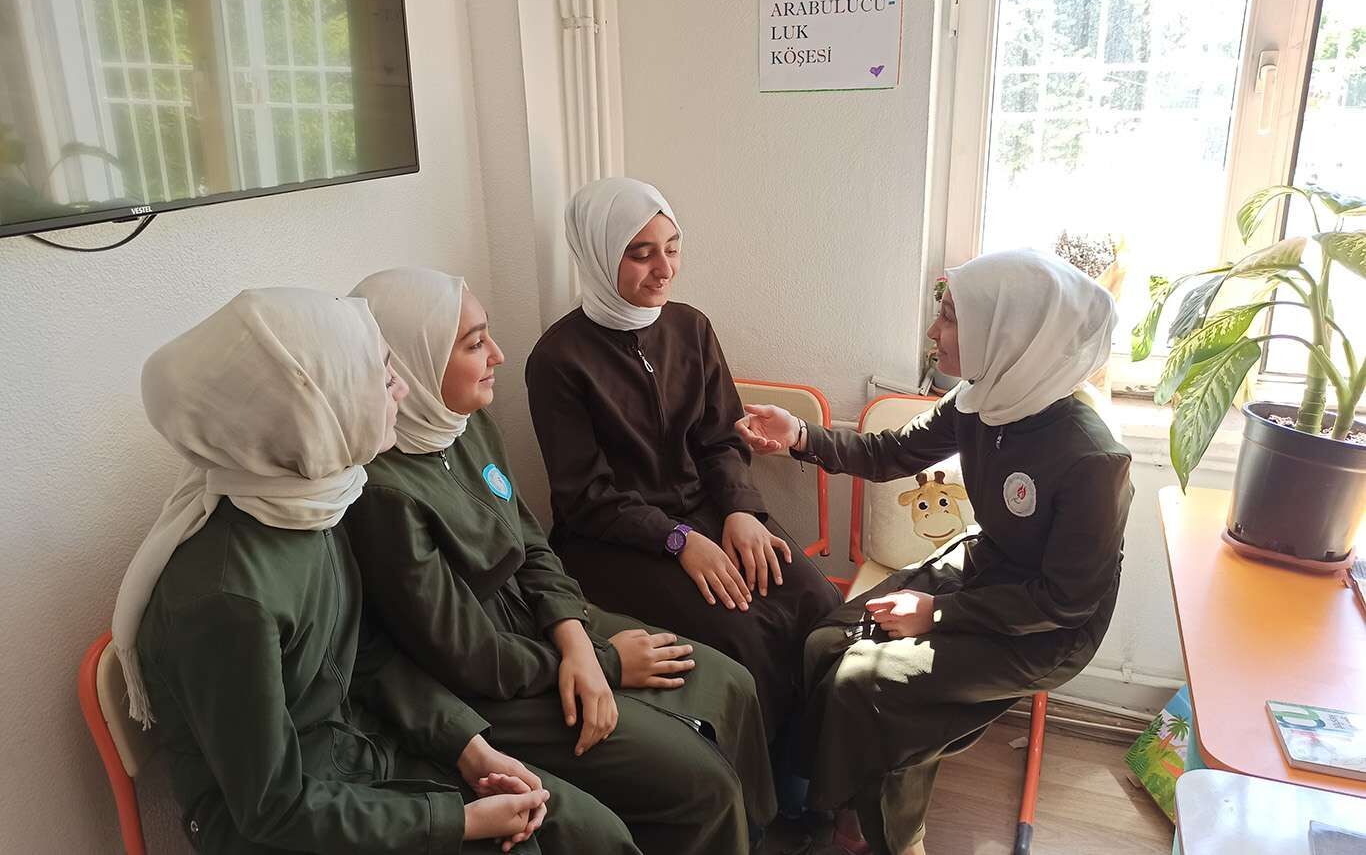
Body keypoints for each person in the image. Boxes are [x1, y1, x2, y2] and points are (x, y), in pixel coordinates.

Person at [114, 287, 638, 854]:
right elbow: (273, 807)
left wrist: (468, 748)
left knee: (592, 834)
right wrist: (458, 821)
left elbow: (365, 654)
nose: (403, 390)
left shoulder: (314, 504)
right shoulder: (225, 599)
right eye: (384, 376)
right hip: (289, 823)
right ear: (313, 408)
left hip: (359, 751)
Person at [343, 267, 774, 855]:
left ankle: (760, 837)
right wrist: (605, 663)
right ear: (411, 363)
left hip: (540, 626)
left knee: (733, 683)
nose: (497, 354)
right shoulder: (384, 494)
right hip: (493, 683)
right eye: (473, 344)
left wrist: (576, 639)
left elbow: (530, 543)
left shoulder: (465, 426)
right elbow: (464, 654)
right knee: (704, 785)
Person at [736, 250, 1134, 855]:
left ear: (1007, 335)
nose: (932, 331)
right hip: (985, 567)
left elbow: (1066, 601)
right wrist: (798, 435)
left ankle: (876, 832)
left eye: (948, 317)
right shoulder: (984, 399)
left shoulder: (1093, 459)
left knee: (870, 685)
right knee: (825, 641)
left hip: (1048, 628)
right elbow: (890, 453)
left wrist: (936, 614)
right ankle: (821, 801)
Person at [524, 180, 841, 806]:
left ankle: (821, 771)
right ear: (597, 255)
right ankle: (765, 799)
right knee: (744, 637)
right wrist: (678, 540)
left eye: (672, 247)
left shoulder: (691, 328)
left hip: (709, 513)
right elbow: (586, 496)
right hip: (614, 543)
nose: (664, 269)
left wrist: (742, 512)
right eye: (640, 253)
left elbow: (720, 439)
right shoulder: (558, 359)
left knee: (816, 601)